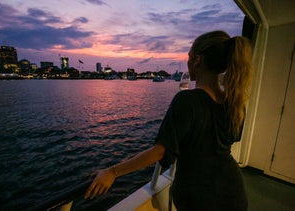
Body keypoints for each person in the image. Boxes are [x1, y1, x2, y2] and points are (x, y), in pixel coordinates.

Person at [85, 30, 253, 211]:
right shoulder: (234, 103)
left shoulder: (187, 101)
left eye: (189, 57)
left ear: (197, 60)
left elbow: (160, 152)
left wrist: (112, 172)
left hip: (200, 196)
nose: (188, 62)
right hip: (233, 191)